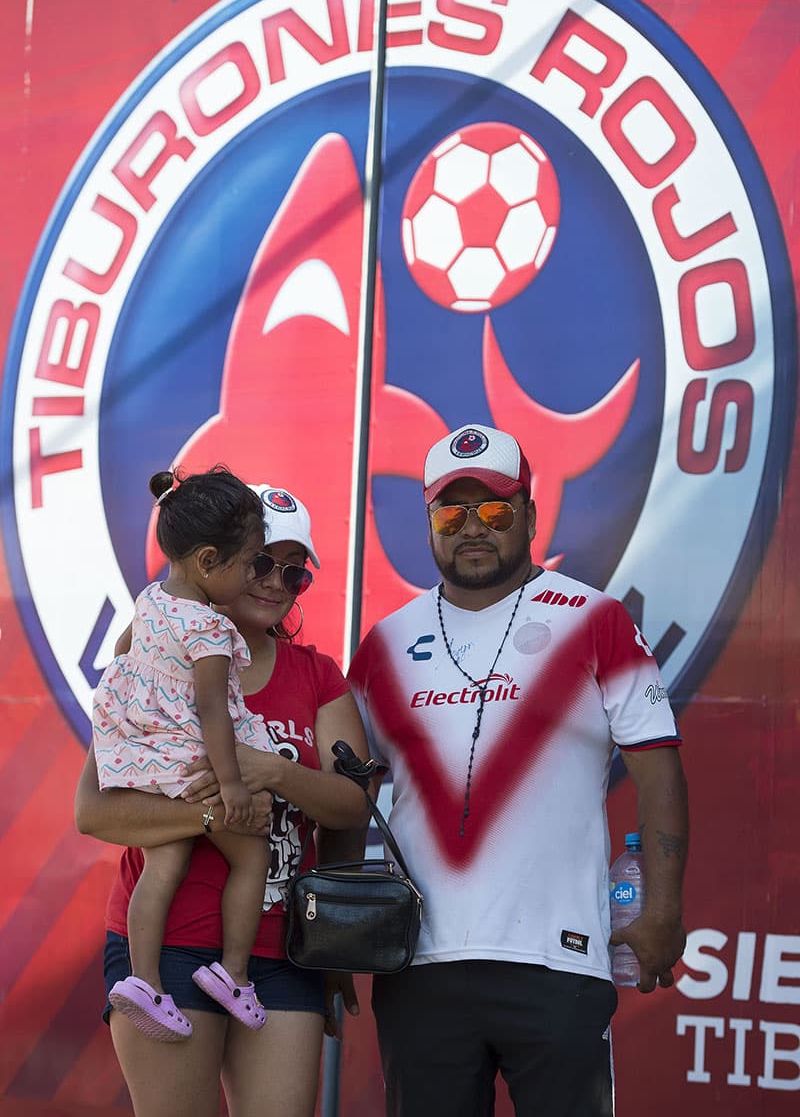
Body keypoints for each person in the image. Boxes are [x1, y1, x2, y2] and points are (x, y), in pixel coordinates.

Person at [348, 423, 689, 1117]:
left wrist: (663, 910)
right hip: (420, 969)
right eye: (452, 511)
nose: (473, 527)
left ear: (530, 515)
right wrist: (334, 925)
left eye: (496, 510)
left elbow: (658, 773)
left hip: (559, 964)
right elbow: (348, 794)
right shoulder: (383, 644)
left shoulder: (596, 620)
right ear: (431, 522)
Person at [76, 483, 370, 1117]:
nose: (274, 582)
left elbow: (352, 809)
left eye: (295, 572)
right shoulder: (149, 649)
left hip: (285, 953)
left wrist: (266, 771)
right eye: (262, 561)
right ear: (221, 560)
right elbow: (94, 810)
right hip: (168, 949)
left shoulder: (316, 674)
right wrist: (214, 810)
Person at [93, 466, 274, 1039]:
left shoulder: (150, 600)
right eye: (249, 564)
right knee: (251, 857)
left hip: (143, 756)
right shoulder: (209, 628)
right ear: (205, 561)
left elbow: (122, 659)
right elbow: (214, 712)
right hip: (190, 760)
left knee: (164, 862)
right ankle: (235, 972)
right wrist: (233, 787)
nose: (253, 577)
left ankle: (143, 980)